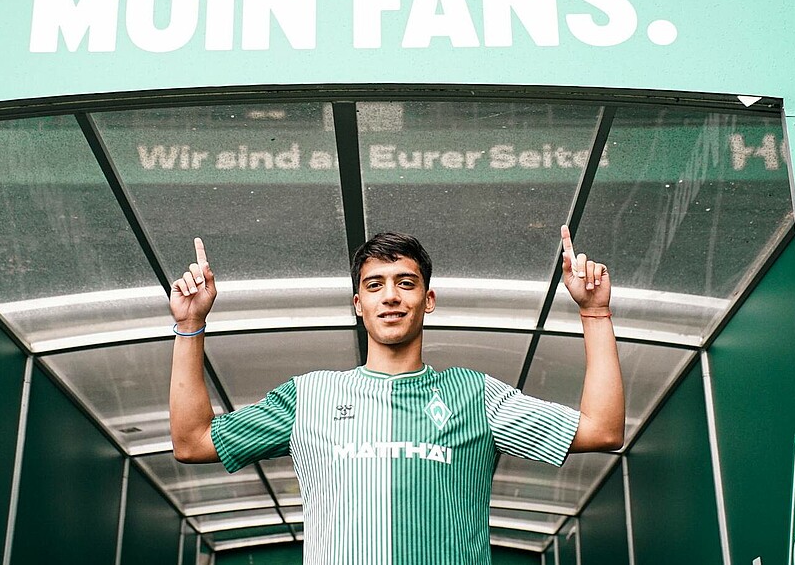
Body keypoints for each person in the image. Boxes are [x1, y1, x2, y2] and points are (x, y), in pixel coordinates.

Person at [168, 229, 623, 564]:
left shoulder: (475, 395)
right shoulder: (308, 396)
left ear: (428, 299)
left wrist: (595, 311)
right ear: (357, 304)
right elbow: (193, 442)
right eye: (374, 285)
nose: (390, 296)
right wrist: (190, 327)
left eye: (406, 283)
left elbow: (602, 430)